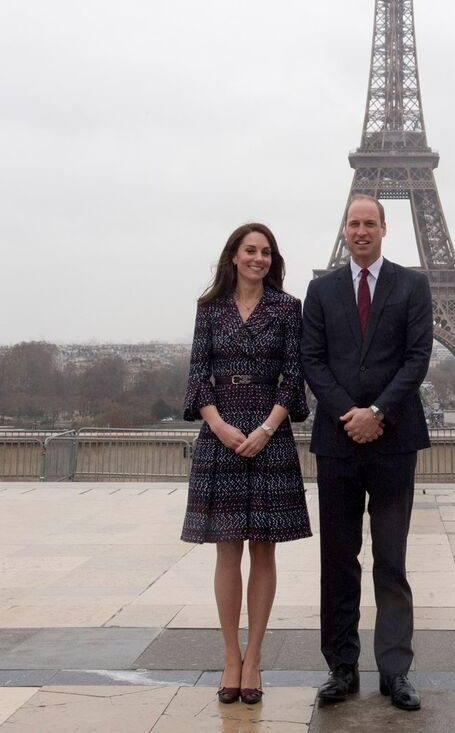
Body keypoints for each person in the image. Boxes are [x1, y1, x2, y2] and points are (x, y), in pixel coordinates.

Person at [301, 195, 433, 712]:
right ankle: (341, 665)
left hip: (393, 439)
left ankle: (395, 670)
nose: (361, 231)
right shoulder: (322, 289)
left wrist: (376, 412)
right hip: (338, 441)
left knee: (391, 558)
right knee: (337, 558)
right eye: (353, 223)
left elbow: (417, 357)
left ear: (385, 228)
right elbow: (312, 360)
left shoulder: (413, 284)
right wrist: (348, 415)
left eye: (369, 223)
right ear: (346, 228)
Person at [181, 223, 311, 705]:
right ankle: (229, 656)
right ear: (233, 256)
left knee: (264, 550)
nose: (258, 258)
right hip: (222, 431)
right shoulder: (209, 309)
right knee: (226, 550)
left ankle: (253, 658)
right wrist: (218, 425)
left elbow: (293, 377)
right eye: (250, 250)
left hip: (268, 432)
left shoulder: (287, 308)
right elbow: (198, 374)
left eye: (266, 252)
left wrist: (266, 428)